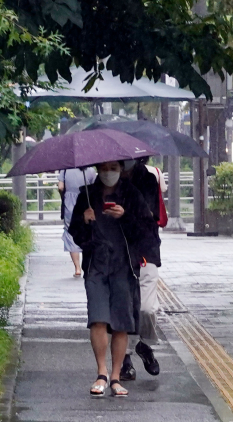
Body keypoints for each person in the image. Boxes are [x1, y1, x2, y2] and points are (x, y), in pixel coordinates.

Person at [68, 160, 157, 398]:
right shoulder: (86, 195)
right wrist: (84, 221)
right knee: (97, 318)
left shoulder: (131, 195)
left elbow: (145, 231)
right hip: (96, 264)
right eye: (104, 168)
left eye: (114, 168)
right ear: (97, 169)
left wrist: (125, 216)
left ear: (121, 169)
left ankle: (116, 376)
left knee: (120, 322)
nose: (109, 173)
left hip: (123, 266)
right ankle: (101, 373)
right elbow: (76, 234)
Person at [119, 157, 163, 380]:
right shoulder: (106, 182)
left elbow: (148, 217)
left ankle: (144, 344)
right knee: (124, 308)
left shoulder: (147, 179)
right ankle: (124, 359)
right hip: (118, 253)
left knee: (147, 308)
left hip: (145, 250)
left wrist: (124, 214)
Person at [58, 167, 96, 277]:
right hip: (86, 201)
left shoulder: (64, 170)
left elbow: (60, 187)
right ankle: (87, 264)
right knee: (87, 230)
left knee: (70, 231)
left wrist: (64, 196)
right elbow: (94, 188)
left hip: (69, 200)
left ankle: (77, 268)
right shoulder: (91, 171)